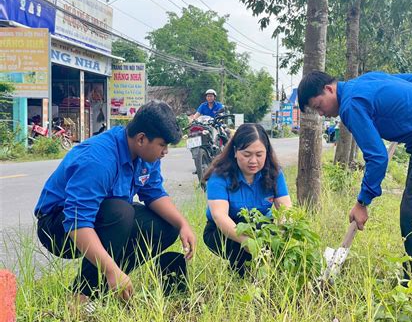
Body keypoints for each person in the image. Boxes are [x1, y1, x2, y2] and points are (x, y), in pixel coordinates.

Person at [297, 71, 412, 280]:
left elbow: (377, 157)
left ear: (329, 89)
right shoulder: (365, 81)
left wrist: (362, 203)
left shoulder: (350, 104)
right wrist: (405, 112)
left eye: (318, 106)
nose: (322, 113)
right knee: (411, 215)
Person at [35, 101, 197, 303]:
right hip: (58, 226)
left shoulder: (146, 157)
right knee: (121, 213)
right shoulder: (99, 160)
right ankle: (82, 295)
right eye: (162, 145)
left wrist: (182, 224)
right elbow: (77, 222)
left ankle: (107, 284)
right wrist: (111, 270)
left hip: (102, 218)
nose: (165, 152)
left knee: (167, 225)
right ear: (141, 139)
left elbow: (154, 193)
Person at [202, 123, 292, 276]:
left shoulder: (274, 173)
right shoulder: (219, 175)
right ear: (236, 152)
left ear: (267, 153)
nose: (253, 161)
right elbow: (219, 216)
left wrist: (283, 236)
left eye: (259, 154)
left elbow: (286, 210)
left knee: (277, 251)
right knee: (242, 257)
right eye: (247, 154)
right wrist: (248, 242)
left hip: (261, 227)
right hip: (223, 231)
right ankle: (239, 272)